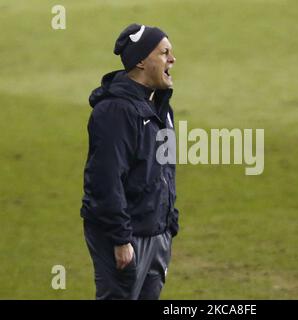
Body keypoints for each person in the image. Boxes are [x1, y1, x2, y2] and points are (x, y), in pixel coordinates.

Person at [80, 23, 179, 300]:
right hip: (125, 236)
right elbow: (105, 180)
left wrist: (168, 224)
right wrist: (121, 238)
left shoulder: (160, 107)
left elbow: (165, 170)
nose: (172, 60)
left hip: (156, 231)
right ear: (140, 60)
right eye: (164, 53)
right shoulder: (114, 111)